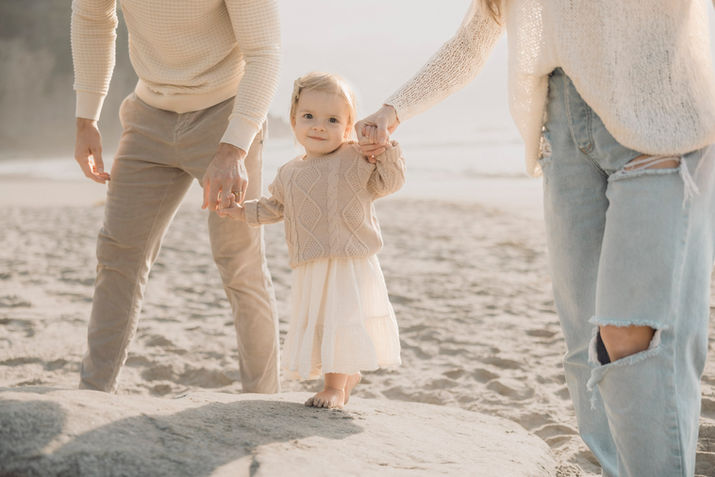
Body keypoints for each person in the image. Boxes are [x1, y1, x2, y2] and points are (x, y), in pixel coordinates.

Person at [356, 1, 715, 475]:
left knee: (633, 336)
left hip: (660, 114)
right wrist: (394, 108)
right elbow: (472, 39)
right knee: (586, 346)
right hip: (563, 137)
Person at [71, 0, 282, 393]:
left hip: (226, 116)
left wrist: (233, 148)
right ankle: (94, 391)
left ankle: (262, 399)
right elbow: (92, 19)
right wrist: (87, 118)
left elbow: (264, 53)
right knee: (118, 255)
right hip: (148, 113)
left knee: (240, 261)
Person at [218, 72, 404, 408]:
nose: (318, 126)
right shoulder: (290, 172)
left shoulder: (356, 158)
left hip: (350, 259)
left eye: (332, 120)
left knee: (342, 318)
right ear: (293, 121)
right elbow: (273, 208)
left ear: (348, 127)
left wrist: (386, 148)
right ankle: (345, 377)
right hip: (312, 261)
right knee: (322, 320)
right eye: (308, 117)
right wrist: (239, 211)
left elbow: (388, 183)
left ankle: (334, 386)